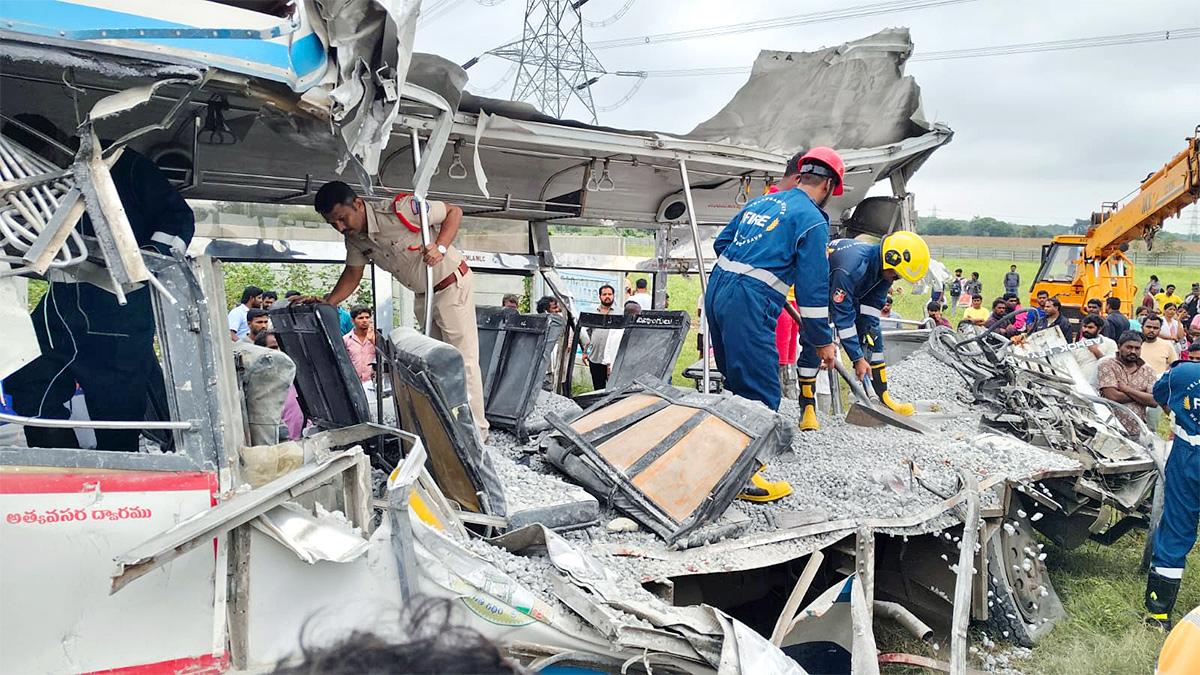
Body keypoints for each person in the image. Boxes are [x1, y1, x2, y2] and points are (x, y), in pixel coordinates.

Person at [4, 116, 195, 452]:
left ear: (58, 146)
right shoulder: (29, 187)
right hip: (61, 299)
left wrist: (150, 255)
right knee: (29, 380)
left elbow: (178, 218)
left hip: (118, 304)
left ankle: (117, 475)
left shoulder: (121, 163)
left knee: (116, 406)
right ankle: (62, 464)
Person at [705, 146, 844, 501]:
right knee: (761, 390)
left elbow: (723, 243)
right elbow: (813, 290)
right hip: (747, 301)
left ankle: (719, 463)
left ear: (800, 175)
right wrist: (821, 341)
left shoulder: (760, 203)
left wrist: (760, 272)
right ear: (828, 186)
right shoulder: (813, 220)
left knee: (736, 382)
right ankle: (744, 480)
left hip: (719, 289)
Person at [312, 181, 488, 440]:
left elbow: (454, 212)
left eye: (342, 218)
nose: (340, 227)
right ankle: (450, 426)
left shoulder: (401, 210)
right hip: (423, 295)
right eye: (333, 224)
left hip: (450, 283)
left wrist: (439, 247)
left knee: (462, 360)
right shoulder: (356, 240)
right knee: (437, 363)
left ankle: (475, 432)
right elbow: (353, 273)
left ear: (358, 204)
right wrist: (328, 303)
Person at [816, 232, 931, 427]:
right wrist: (857, 359)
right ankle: (808, 406)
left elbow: (869, 316)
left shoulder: (884, 274)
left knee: (874, 337)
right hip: (817, 296)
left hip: (846, 297)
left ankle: (883, 397)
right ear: (889, 259)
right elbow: (842, 317)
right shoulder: (851, 267)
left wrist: (867, 347)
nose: (896, 279)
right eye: (897, 274)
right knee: (815, 346)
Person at [1143, 341, 1199, 631]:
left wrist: (1179, 412)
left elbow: (1159, 396)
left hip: (1188, 457)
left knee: (1177, 528)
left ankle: (1159, 616)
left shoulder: (1183, 373)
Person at [1097, 331, 1159, 436]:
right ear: (1119, 346)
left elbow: (1154, 401)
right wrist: (1142, 394)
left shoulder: (1147, 370)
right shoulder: (1107, 365)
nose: (1133, 351)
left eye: (1137, 348)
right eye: (1129, 347)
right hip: (1111, 430)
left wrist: (1127, 390)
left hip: (1138, 431)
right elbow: (1112, 396)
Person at [255, 331, 308, 441]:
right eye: (274, 347)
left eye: (282, 346)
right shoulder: (259, 387)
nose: (279, 351)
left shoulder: (299, 378)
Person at [582, 284, 617, 390]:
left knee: (613, 389)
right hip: (595, 358)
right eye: (604, 294)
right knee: (598, 389)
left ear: (613, 296)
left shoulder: (619, 313)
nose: (607, 296)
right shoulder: (593, 313)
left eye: (610, 294)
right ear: (600, 296)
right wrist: (585, 352)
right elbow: (586, 334)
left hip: (613, 359)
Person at [1071, 314, 1117, 386]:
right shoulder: (1077, 346)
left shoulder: (1109, 343)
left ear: (1099, 329)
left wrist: (1096, 351)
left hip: (1102, 386)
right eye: (1084, 327)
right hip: (1081, 385)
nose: (1086, 330)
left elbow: (1112, 366)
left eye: (1090, 327)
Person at [775, 287, 801, 398]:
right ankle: (778, 390)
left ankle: (787, 389)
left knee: (789, 354)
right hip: (780, 297)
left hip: (795, 298)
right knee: (780, 354)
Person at [342, 306, 376, 386]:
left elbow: (385, 356)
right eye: (360, 318)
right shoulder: (346, 340)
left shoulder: (376, 338)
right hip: (354, 384)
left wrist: (373, 341)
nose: (365, 321)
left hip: (373, 384)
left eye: (367, 317)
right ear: (353, 321)